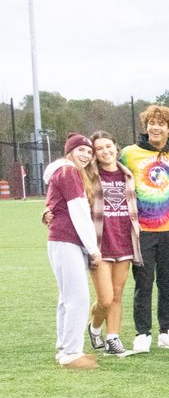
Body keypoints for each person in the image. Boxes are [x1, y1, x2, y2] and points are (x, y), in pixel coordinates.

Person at [120, 103, 169, 353]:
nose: (156, 127)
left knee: (168, 284)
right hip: (142, 231)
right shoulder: (129, 153)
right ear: (146, 127)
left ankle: (166, 331)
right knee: (144, 284)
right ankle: (142, 333)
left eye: (161, 123)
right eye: (152, 123)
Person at [45, 134, 102, 369]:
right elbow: (78, 210)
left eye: (89, 152)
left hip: (63, 240)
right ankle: (71, 353)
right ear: (69, 151)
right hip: (66, 240)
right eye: (80, 150)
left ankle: (65, 348)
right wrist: (93, 249)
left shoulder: (63, 172)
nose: (86, 155)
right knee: (77, 297)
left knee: (67, 297)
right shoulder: (69, 172)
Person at [85, 131, 139, 356]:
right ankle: (95, 326)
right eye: (100, 149)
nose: (106, 152)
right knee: (105, 298)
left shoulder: (126, 174)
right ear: (94, 154)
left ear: (116, 147)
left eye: (109, 146)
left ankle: (113, 338)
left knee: (117, 294)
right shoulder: (88, 175)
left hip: (124, 242)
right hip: (99, 244)